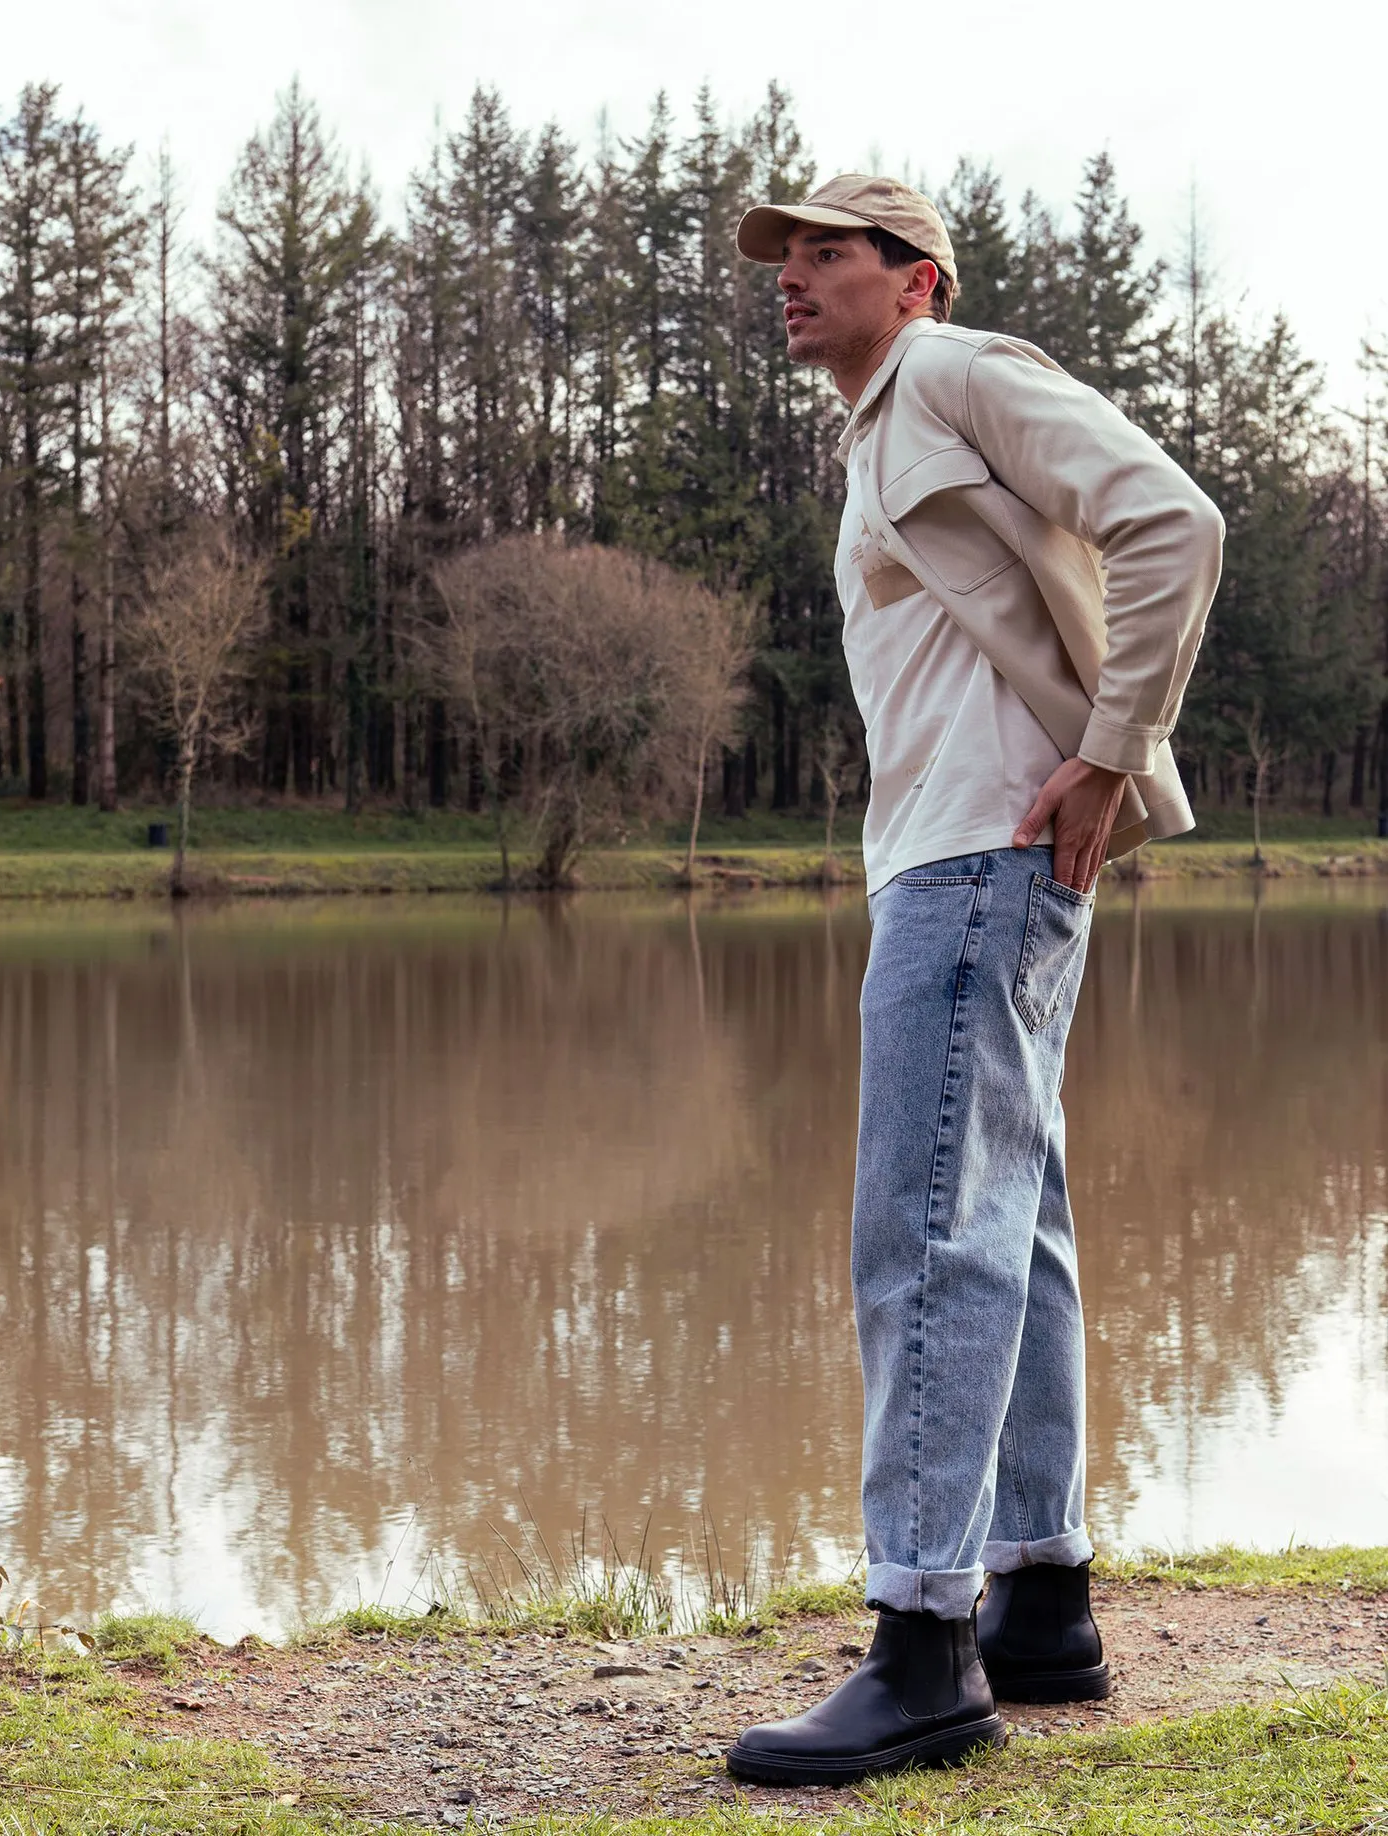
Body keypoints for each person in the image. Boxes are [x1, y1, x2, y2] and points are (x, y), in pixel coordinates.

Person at [724, 176, 1224, 1787]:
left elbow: (1173, 521)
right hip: (960, 858)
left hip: (975, 858)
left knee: (924, 1228)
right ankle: (1038, 1600)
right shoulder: (878, 424)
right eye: (781, 259)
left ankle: (923, 1645)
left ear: (912, 278)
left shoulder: (951, 373)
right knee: (1010, 1216)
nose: (791, 278)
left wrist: (1107, 752)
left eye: (825, 253)